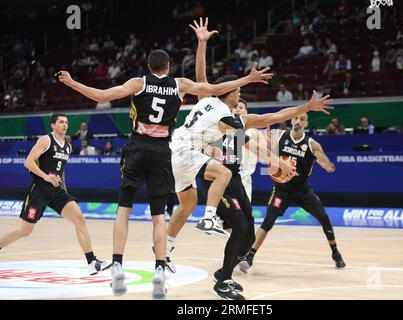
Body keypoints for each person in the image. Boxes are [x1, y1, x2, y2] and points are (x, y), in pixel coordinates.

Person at [58, 16, 273, 300]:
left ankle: (118, 264)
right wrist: (247, 78)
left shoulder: (138, 83)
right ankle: (160, 268)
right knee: (159, 215)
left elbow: (101, 95)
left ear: (149, 67)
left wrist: (72, 83)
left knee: (124, 209)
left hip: (137, 148)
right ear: (169, 67)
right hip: (163, 151)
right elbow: (212, 87)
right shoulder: (179, 84)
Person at [166, 20, 334, 300]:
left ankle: (223, 271)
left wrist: (307, 107)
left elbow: (273, 116)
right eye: (238, 93)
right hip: (211, 173)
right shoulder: (221, 114)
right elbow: (203, 77)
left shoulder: (224, 111)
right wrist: (276, 161)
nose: (241, 96)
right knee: (240, 227)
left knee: (247, 233)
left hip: (233, 178)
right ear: (229, 94)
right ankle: (221, 274)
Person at [0, 113, 110, 276]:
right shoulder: (45, 140)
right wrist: (46, 176)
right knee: (25, 230)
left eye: (66, 122)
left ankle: (92, 262)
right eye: (60, 122)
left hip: (57, 191)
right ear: (53, 125)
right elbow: (28, 162)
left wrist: (63, 191)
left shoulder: (68, 146)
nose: (64, 124)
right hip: (39, 190)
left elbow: (61, 171)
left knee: (79, 218)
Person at [238, 113, 346, 273]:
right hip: (281, 189)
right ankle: (250, 256)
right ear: (291, 120)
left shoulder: (312, 144)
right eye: (296, 118)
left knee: (324, 218)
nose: (298, 121)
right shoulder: (280, 137)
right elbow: (264, 150)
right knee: (268, 221)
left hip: (302, 189)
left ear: (306, 123)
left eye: (302, 119)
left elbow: (325, 161)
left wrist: (328, 165)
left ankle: (335, 252)